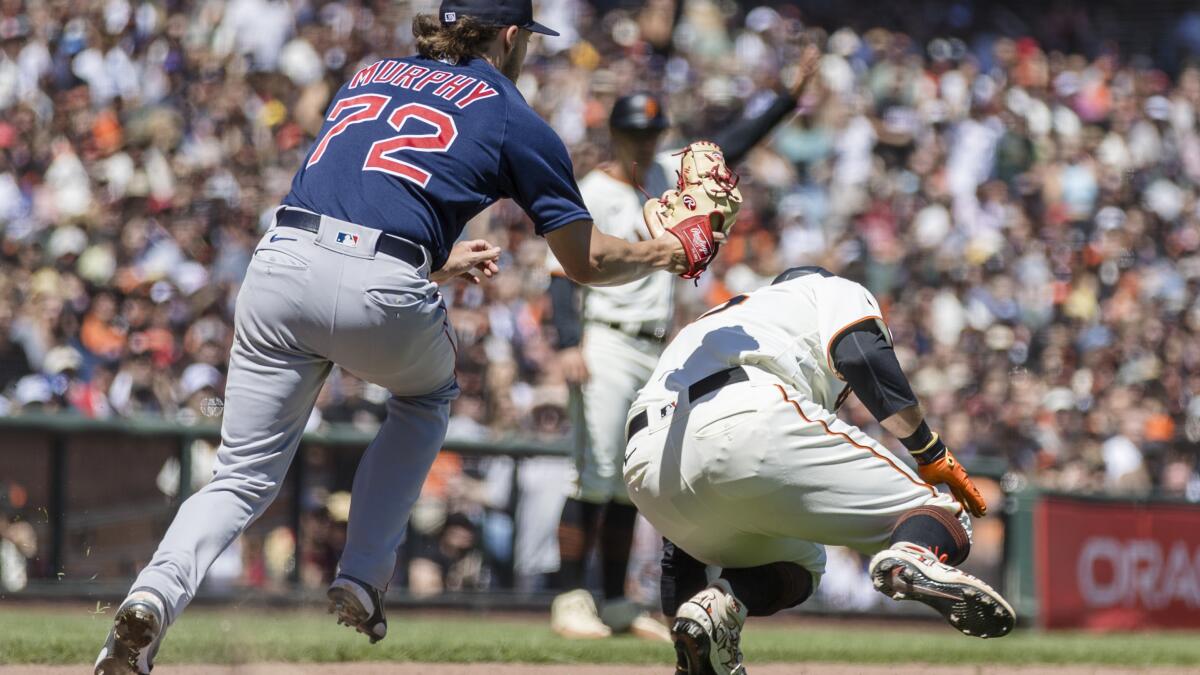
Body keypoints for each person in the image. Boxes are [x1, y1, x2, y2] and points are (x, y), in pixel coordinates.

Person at [93, 2, 715, 673]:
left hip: (281, 264)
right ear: (510, 38)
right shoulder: (511, 113)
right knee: (426, 397)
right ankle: (362, 575)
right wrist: (666, 252)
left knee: (239, 476)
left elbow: (356, 201)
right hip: (382, 286)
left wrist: (433, 262)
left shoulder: (371, 71)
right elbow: (584, 261)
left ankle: (151, 598)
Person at [546, 47, 823, 642]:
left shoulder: (661, 187)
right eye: (632, 131)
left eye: (650, 132)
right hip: (605, 337)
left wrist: (785, 99)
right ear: (615, 133)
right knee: (592, 471)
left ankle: (616, 601)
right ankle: (571, 594)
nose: (643, 142)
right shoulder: (593, 188)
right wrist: (568, 341)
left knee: (629, 479)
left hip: (654, 346)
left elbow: (731, 151)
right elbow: (560, 273)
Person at [622, 266, 1015, 675]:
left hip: (645, 466)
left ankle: (721, 606)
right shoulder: (825, 288)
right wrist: (928, 449)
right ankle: (912, 555)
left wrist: (684, 645)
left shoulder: (718, 321)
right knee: (939, 515)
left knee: (804, 562)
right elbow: (860, 353)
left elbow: (677, 555)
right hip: (743, 414)